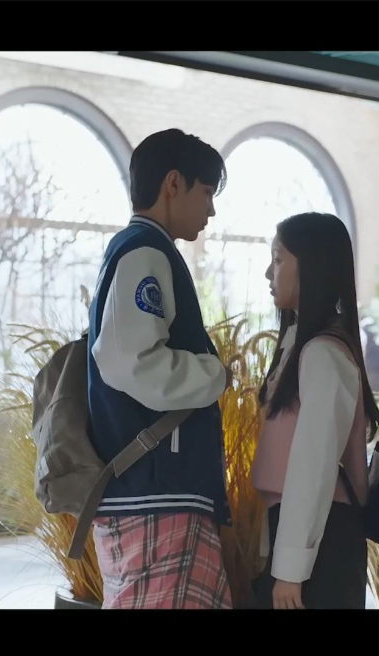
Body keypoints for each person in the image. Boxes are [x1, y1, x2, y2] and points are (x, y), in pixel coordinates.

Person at [86, 129, 233, 609]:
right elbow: (132, 361)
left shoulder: (138, 248)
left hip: (152, 495)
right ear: (173, 184)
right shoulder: (145, 252)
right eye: (206, 192)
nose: (211, 210)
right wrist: (215, 375)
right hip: (156, 497)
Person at [250, 212, 379, 609]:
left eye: (278, 259)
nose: (269, 273)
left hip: (322, 543)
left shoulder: (323, 354)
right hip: (307, 537)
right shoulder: (303, 347)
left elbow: (313, 468)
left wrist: (290, 571)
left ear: (312, 266)